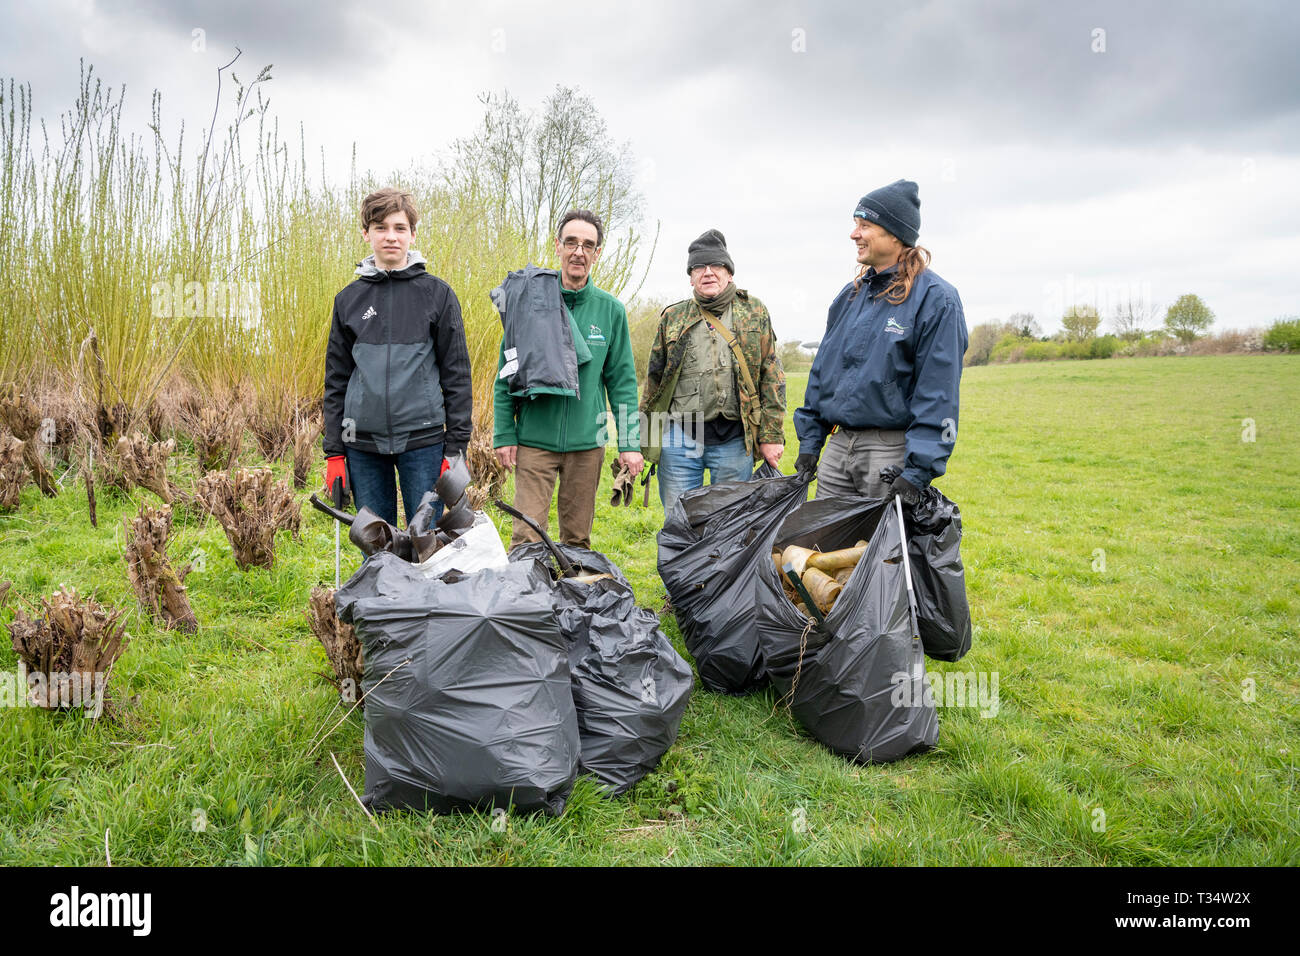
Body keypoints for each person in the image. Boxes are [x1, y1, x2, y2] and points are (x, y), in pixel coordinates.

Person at [794, 180, 967, 504]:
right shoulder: (849, 296)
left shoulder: (936, 299)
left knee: (882, 552)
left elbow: (939, 392)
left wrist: (917, 471)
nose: (854, 234)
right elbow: (823, 372)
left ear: (894, 233)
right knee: (822, 549)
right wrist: (810, 441)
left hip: (889, 450)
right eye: (855, 225)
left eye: (865, 225)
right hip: (839, 448)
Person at [322, 188, 473, 527]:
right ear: (366, 234)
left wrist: (455, 448)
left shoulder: (438, 295)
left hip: (424, 442)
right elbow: (336, 381)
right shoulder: (348, 300)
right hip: (361, 445)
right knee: (376, 548)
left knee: (426, 542)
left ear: (412, 234)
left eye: (399, 228)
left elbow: (457, 377)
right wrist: (334, 451)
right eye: (380, 227)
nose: (391, 236)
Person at [493, 209, 642, 549]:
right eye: (571, 242)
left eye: (588, 245)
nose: (579, 251)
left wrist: (631, 444)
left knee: (577, 540)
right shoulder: (528, 303)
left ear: (597, 253)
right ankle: (528, 601)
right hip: (534, 443)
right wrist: (504, 433)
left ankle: (574, 599)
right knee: (526, 537)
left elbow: (623, 384)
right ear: (557, 246)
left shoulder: (610, 310)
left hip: (587, 446)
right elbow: (506, 373)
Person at [640, 229, 786, 512]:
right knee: (679, 523)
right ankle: (682, 559)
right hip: (680, 439)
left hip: (734, 439)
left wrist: (771, 436)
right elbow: (654, 381)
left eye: (716, 266)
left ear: (729, 273)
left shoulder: (754, 311)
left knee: (730, 523)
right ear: (691, 276)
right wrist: (642, 442)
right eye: (699, 267)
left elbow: (772, 376)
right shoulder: (673, 317)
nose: (708, 272)